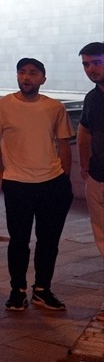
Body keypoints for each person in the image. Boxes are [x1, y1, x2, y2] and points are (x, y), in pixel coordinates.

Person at [0, 57, 74, 312]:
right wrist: (2, 175)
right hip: (17, 184)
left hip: (52, 183)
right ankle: (18, 290)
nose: (27, 77)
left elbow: (64, 143)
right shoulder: (1, 106)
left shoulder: (54, 107)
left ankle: (42, 290)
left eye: (33, 73)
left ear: (43, 78)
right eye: (22, 72)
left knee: (48, 240)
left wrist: (65, 178)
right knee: (19, 240)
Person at [77, 41, 104, 258]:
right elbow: (84, 130)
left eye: (97, 63)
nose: (91, 69)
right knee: (101, 233)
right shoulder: (91, 98)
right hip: (97, 177)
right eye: (86, 64)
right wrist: (84, 164)